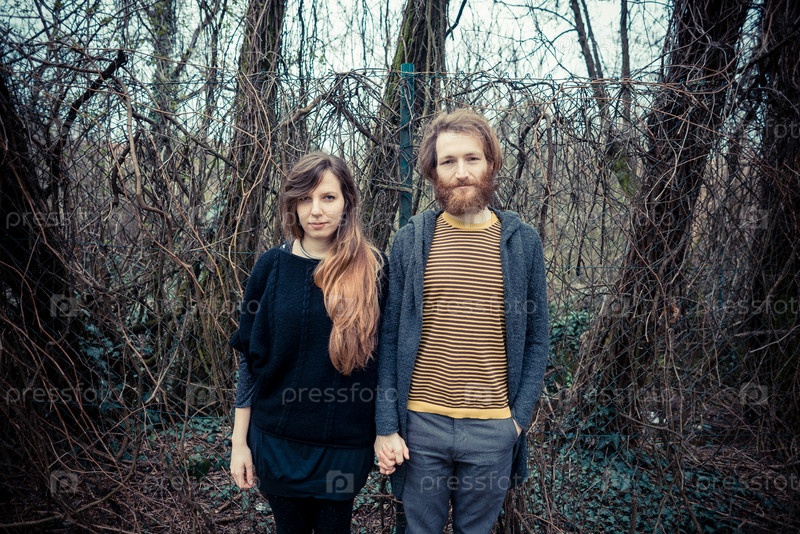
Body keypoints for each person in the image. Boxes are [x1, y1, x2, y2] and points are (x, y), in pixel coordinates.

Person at [374, 108, 549, 533]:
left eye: (472, 158)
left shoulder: (522, 243)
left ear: (491, 163)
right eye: (448, 161)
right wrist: (387, 426)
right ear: (433, 171)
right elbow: (390, 337)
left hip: (493, 428)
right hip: (421, 427)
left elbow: (537, 339)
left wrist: (516, 421)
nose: (461, 172)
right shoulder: (412, 240)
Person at [229, 152, 388, 534]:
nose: (315, 210)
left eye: (328, 197)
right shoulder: (271, 267)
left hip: (344, 447)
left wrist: (388, 429)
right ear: (293, 205)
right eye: (305, 198)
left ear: (347, 202)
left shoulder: (375, 269)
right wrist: (239, 443)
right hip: (277, 442)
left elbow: (387, 361)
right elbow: (251, 360)